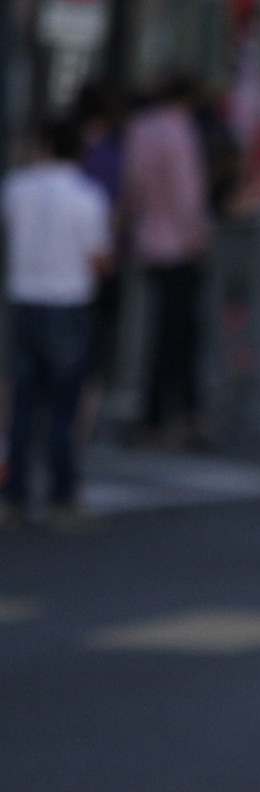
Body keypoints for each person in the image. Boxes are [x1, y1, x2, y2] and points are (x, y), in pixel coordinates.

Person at [2, 120, 112, 529]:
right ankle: (61, 497)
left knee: (21, 404)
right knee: (64, 409)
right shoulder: (88, 196)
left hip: (25, 299)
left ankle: (13, 495)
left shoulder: (16, 187)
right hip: (69, 302)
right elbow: (99, 258)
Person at [122, 77, 212, 446]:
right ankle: (179, 413)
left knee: (161, 332)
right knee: (181, 336)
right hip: (179, 245)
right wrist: (197, 237)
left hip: (149, 239)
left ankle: (157, 414)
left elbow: (133, 184)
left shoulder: (141, 128)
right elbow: (186, 192)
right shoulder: (180, 130)